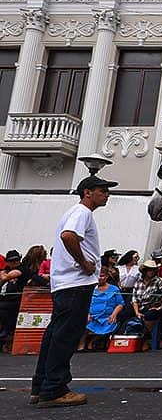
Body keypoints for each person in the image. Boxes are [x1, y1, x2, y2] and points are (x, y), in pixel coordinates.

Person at [31, 174, 117, 407]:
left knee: (55, 335)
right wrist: (84, 263)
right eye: (102, 190)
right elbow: (68, 236)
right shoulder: (82, 213)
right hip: (75, 283)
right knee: (66, 336)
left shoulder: (75, 212)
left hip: (66, 284)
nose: (106, 194)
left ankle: (41, 386)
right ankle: (54, 388)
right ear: (87, 192)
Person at [0, 245, 47, 345]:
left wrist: (4, 275)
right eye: (12, 261)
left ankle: (6, 331)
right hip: (6, 298)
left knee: (5, 309)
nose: (15, 262)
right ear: (7, 262)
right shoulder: (6, 269)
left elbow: (8, 276)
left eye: (16, 260)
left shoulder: (23, 269)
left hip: (17, 300)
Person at [80, 267, 125, 351]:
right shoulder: (91, 288)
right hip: (92, 316)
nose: (99, 278)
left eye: (102, 276)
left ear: (106, 276)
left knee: (110, 323)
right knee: (84, 322)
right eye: (98, 276)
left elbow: (120, 304)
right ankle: (82, 343)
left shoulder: (114, 289)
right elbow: (84, 302)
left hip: (107, 316)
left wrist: (114, 314)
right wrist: (87, 313)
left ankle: (92, 342)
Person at [132, 260, 162, 350]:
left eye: (152, 270)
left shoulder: (159, 281)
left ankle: (146, 338)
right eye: (149, 270)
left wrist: (160, 307)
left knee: (149, 315)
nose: (151, 272)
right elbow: (134, 299)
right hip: (140, 306)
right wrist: (137, 312)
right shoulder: (138, 282)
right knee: (126, 314)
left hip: (153, 306)